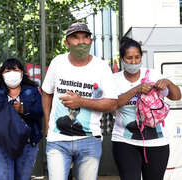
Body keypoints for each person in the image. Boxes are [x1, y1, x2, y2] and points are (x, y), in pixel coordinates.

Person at [42, 22, 118, 180]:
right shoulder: (58, 62)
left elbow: (112, 104)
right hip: (58, 140)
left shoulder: (102, 67)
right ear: (66, 43)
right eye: (75, 38)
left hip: (89, 140)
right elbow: (47, 92)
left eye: (85, 37)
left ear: (91, 41)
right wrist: (48, 123)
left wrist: (81, 101)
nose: (81, 42)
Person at [111, 37, 181, 180]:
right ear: (122, 59)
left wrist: (167, 82)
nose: (133, 62)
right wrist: (136, 89)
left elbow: (177, 96)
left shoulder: (153, 75)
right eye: (129, 58)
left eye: (137, 57)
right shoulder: (114, 79)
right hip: (124, 141)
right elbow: (112, 104)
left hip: (157, 141)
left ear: (141, 57)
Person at [0, 58, 43, 180]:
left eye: (15, 70)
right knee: (5, 177)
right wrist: (2, 128)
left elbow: (40, 112)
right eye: (8, 70)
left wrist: (23, 110)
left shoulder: (32, 91)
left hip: (27, 143)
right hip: (1, 143)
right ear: (2, 74)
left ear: (21, 73)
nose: (12, 73)